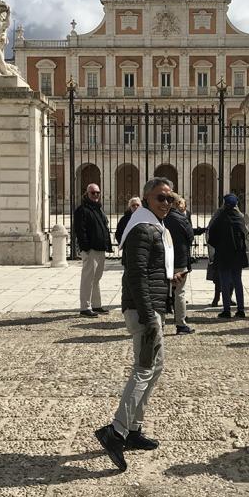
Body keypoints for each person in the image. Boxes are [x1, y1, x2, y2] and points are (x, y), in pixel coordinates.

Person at [94, 177, 177, 472]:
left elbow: (149, 271)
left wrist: (168, 280)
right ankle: (115, 432)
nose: (166, 203)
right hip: (145, 310)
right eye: (160, 198)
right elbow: (136, 274)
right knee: (144, 370)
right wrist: (147, 315)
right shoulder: (143, 228)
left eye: (170, 198)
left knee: (155, 367)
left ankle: (133, 429)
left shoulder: (153, 225)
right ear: (146, 198)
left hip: (153, 306)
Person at [73, 183, 113, 317]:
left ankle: (96, 305)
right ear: (87, 194)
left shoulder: (98, 209)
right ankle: (85, 307)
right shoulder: (82, 210)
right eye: (93, 193)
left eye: (97, 192)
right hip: (90, 249)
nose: (96, 195)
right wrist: (85, 248)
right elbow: (80, 230)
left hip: (100, 248)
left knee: (96, 279)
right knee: (87, 279)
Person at [207, 194, 248, 319]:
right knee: (237, 281)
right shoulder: (240, 218)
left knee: (224, 282)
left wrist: (218, 246)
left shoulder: (220, 218)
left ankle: (226, 310)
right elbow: (245, 233)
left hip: (223, 254)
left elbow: (211, 236)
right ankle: (241, 310)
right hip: (237, 254)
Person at [166, 193, 195, 334]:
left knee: (162, 291)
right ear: (177, 204)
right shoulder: (181, 219)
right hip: (179, 260)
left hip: (163, 260)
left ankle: (159, 322)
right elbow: (190, 237)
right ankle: (181, 324)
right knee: (179, 292)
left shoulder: (160, 217)